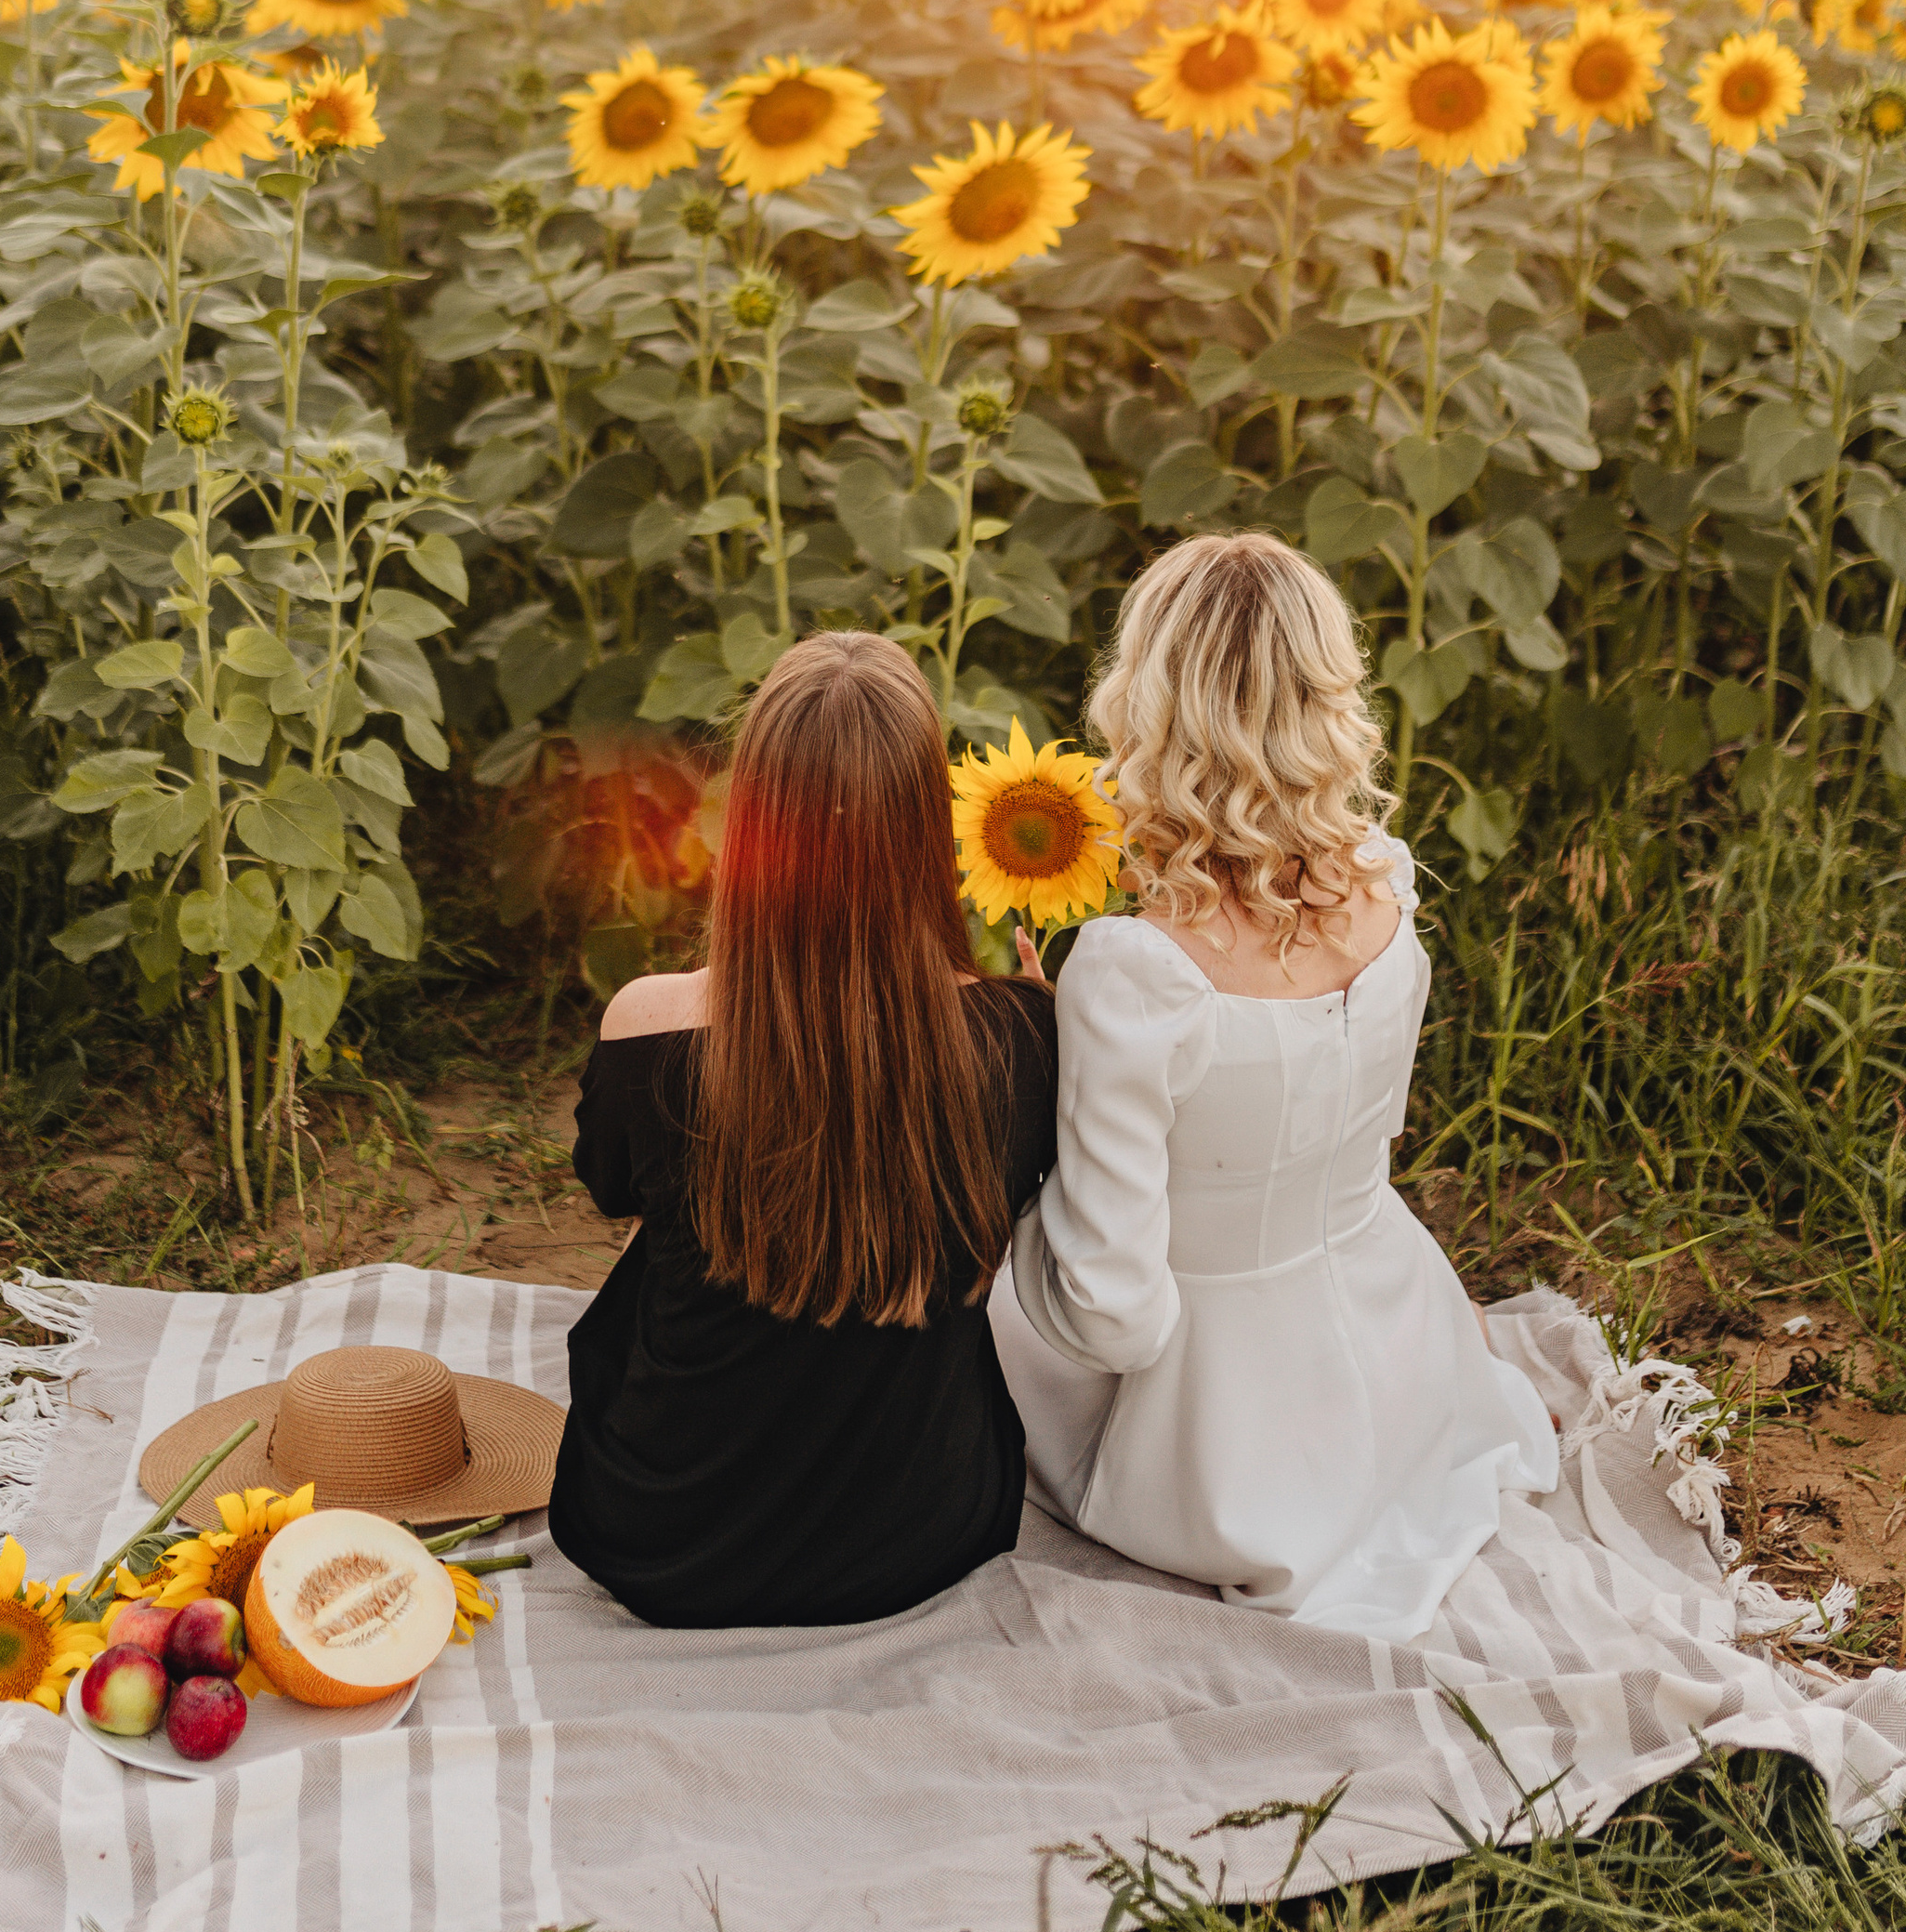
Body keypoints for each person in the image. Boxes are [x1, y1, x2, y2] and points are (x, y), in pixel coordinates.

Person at [989, 529, 1558, 1634]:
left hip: (1218, 1452)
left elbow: (1111, 1317)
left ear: (1145, 701)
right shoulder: (1388, 887)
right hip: (1411, 1369)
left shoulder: (1131, 971)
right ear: (1325, 693)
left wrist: (1023, 1149)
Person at [548, 629, 1059, 1627]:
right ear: (925, 823)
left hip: (663, 1541)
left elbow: (611, 1184)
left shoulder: (647, 1027)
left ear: (753, 818)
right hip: (926, 1535)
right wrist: (1037, 1019)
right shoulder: (1023, 1036)